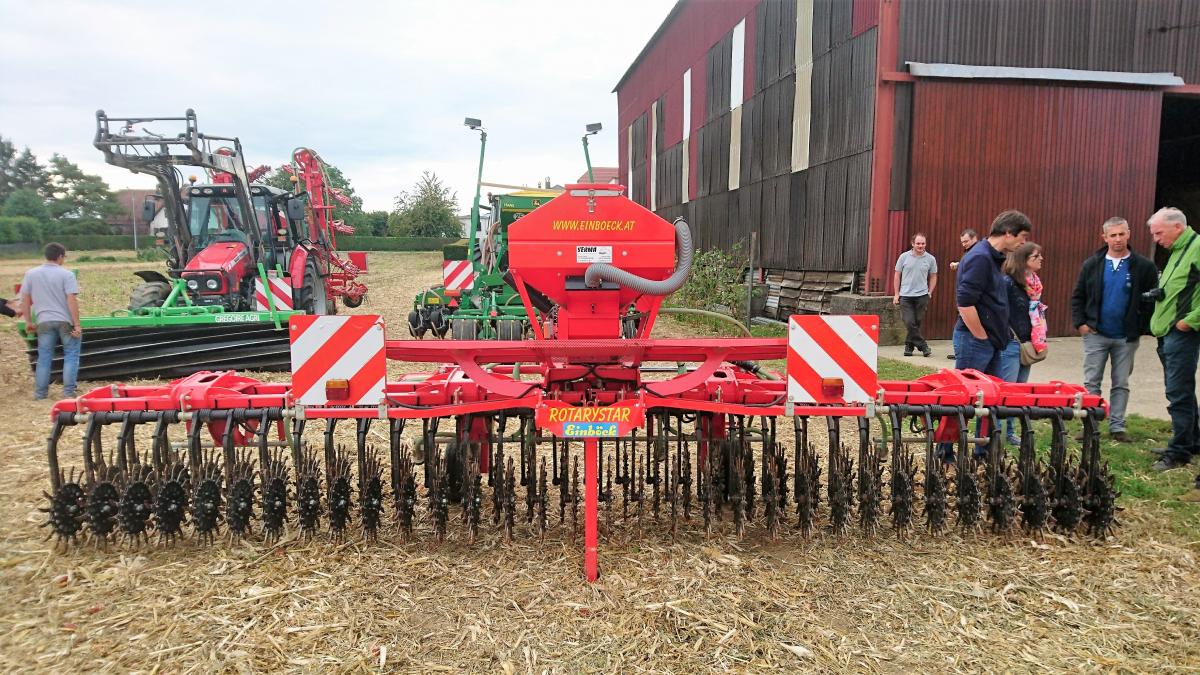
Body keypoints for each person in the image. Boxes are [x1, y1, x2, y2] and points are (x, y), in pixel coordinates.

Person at [1069, 217, 1158, 443]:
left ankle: (1117, 426)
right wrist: (1081, 323)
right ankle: (1090, 424)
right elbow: (1078, 296)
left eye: (1121, 234)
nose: (1117, 239)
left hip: (1126, 337)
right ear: (1104, 237)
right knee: (1091, 381)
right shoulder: (1092, 264)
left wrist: (1142, 326)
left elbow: (1151, 299)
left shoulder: (1143, 266)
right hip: (1096, 334)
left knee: (1121, 382)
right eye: (1113, 235)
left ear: (1128, 234)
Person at [1145, 208, 1200, 472]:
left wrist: (1190, 320)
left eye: (1158, 233)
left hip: (1181, 333)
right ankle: (1192, 440)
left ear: (1177, 227)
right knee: (1182, 390)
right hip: (1166, 332)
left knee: (1178, 392)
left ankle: (1178, 452)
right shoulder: (1178, 251)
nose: (1155, 239)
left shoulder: (1197, 247)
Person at [954, 210, 1032, 376]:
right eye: (1023, 236)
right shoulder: (980, 257)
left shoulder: (992, 257)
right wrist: (981, 337)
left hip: (990, 340)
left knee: (989, 398)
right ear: (1009, 233)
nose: (1024, 242)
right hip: (975, 341)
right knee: (970, 397)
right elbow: (965, 303)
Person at [20, 243, 82, 400]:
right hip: (64, 321)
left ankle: (40, 394)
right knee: (71, 355)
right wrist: (77, 324)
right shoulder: (67, 275)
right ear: (60, 256)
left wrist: (28, 321)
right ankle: (68, 392)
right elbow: (71, 300)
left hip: (43, 322)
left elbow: (25, 300)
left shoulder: (31, 274)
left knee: (44, 357)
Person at [999, 242, 1046, 444]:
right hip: (1011, 343)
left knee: (1018, 391)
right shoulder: (1008, 283)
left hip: (1027, 342)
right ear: (1023, 260)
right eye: (1036, 257)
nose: (1041, 259)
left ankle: (1010, 432)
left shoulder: (1033, 284)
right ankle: (999, 432)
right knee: (1006, 391)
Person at [892, 232, 938, 357]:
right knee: (909, 321)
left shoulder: (930, 259)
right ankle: (923, 346)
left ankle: (909, 346)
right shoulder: (904, 257)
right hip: (905, 295)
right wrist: (896, 294)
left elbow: (933, 276)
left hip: (922, 295)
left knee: (916, 322)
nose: (921, 246)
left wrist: (930, 292)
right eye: (918, 243)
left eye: (923, 243)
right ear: (913, 244)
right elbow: (897, 275)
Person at [947, 229, 979, 359]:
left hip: (970, 299)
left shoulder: (977, 252)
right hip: (966, 297)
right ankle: (963, 353)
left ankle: (961, 354)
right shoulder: (971, 252)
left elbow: (976, 266)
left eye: (966, 241)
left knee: (960, 330)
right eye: (962, 242)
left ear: (974, 238)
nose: (964, 244)